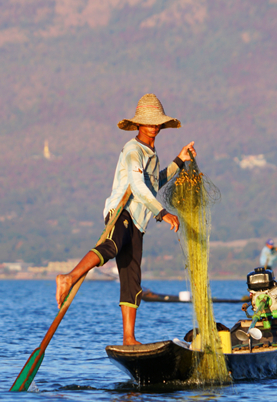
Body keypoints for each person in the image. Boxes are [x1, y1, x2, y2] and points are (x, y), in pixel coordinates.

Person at [55, 93, 197, 345]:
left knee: (132, 278)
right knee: (112, 246)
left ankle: (129, 338)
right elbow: (137, 186)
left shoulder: (151, 153)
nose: (153, 128)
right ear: (139, 125)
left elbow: (154, 184)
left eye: (157, 124)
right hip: (122, 213)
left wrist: (179, 160)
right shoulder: (134, 150)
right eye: (149, 123)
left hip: (139, 222)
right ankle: (69, 276)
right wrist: (162, 213)